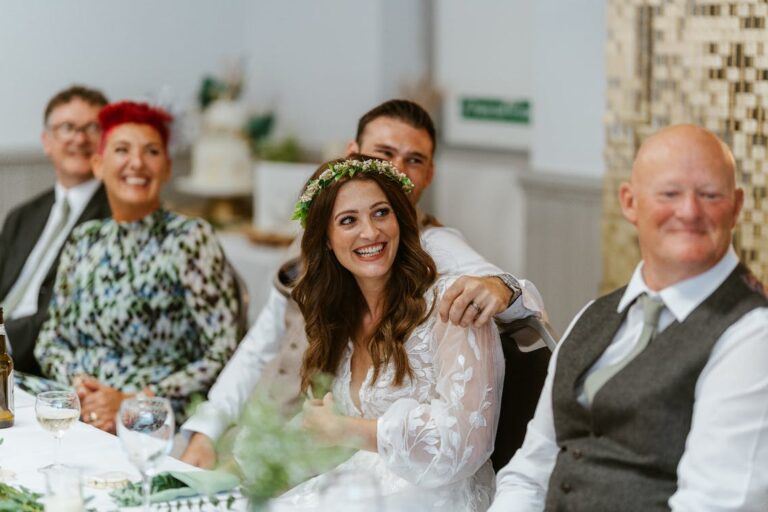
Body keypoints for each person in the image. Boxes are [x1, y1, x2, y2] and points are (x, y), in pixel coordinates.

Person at [180, 100, 545, 468]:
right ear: (353, 155)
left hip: (335, 452)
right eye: (384, 153)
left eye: (414, 160)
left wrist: (502, 288)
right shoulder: (315, 240)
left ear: (429, 173)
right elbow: (260, 344)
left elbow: (510, 297)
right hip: (268, 429)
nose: (397, 169)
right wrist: (206, 430)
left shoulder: (433, 243)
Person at [490, 125, 768, 511]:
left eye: (710, 194)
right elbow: (531, 470)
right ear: (630, 202)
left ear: (736, 207)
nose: (690, 211)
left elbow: (716, 503)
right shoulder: (595, 316)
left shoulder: (753, 333)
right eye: (670, 193)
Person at [272, 156, 503, 510]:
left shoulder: (452, 305)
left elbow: (464, 443)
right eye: (348, 220)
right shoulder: (340, 316)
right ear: (327, 240)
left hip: (437, 499)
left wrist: (344, 430)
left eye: (381, 213)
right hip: (359, 490)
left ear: (400, 219)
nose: (370, 232)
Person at [34, 101, 240, 433]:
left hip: (156, 415)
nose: (137, 162)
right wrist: (82, 388)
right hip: (80, 407)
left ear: (167, 168)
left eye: (151, 151)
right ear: (98, 164)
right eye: (122, 150)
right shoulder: (85, 238)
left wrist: (133, 400)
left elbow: (223, 353)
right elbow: (50, 339)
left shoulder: (190, 238)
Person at [0, 85, 111, 374]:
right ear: (47, 141)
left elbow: (73, 314)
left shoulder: (114, 219)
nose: (79, 138)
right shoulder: (23, 215)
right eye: (67, 128)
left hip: (38, 366)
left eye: (92, 128)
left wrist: (3, 342)